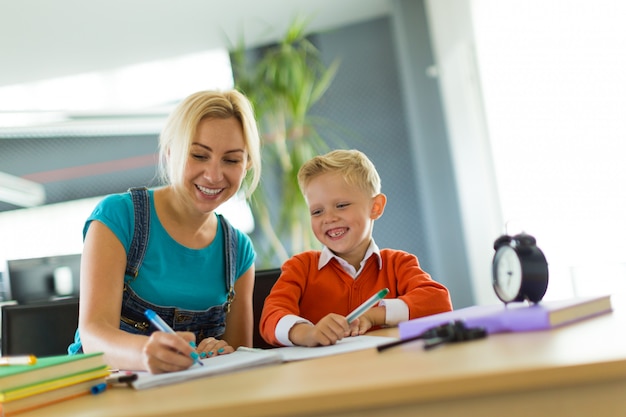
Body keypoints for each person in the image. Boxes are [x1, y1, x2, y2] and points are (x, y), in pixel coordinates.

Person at [68, 90, 262, 373]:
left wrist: (221, 352)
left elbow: (239, 356)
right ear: (171, 151)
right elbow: (94, 336)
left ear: (247, 165)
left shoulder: (239, 252)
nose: (214, 175)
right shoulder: (119, 217)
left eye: (231, 160)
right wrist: (146, 353)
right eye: (198, 155)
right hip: (104, 389)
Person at [260, 149, 452, 347]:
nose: (329, 218)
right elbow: (271, 317)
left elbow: (438, 301)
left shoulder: (398, 264)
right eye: (317, 211)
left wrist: (375, 315)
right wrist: (308, 333)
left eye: (341, 205)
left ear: (375, 207)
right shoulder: (301, 267)